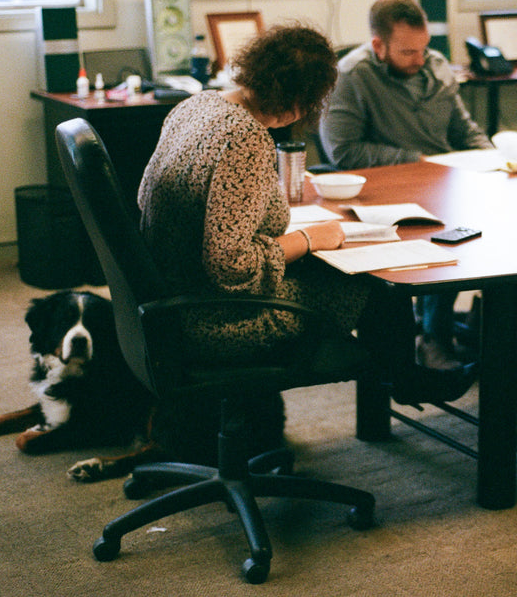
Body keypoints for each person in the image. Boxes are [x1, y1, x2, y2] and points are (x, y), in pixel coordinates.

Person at [138, 23, 475, 406]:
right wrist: (308, 239)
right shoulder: (244, 139)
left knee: (339, 267)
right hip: (216, 318)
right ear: (301, 101)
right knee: (373, 286)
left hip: (167, 300)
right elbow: (232, 267)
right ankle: (403, 380)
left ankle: (398, 378)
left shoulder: (197, 105)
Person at [320, 0, 517, 372]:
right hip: (389, 191)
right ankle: (432, 337)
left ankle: (484, 325)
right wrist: (419, 160)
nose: (419, 59)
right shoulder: (351, 77)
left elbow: (464, 130)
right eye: (408, 52)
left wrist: (493, 163)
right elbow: (343, 151)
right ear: (378, 46)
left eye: (423, 49)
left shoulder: (436, 67)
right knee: (446, 232)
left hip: (446, 180)